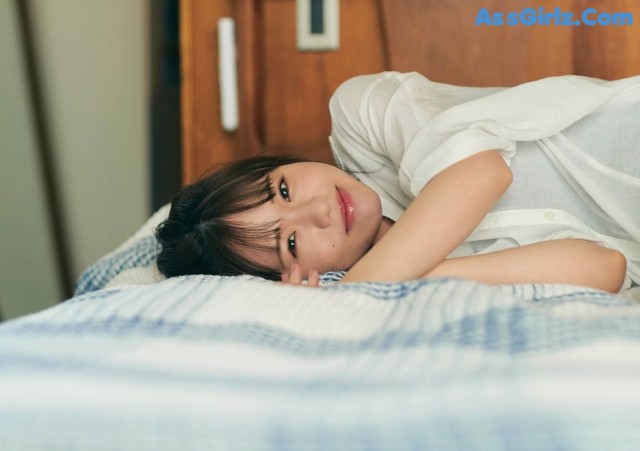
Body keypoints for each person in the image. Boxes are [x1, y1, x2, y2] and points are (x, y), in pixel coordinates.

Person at [155, 71, 640, 292]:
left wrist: (357, 291)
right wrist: (408, 280)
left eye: (283, 189)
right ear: (295, 277)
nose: (321, 210)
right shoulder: (415, 283)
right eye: (293, 242)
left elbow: (482, 172)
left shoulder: (361, 116)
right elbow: (605, 267)